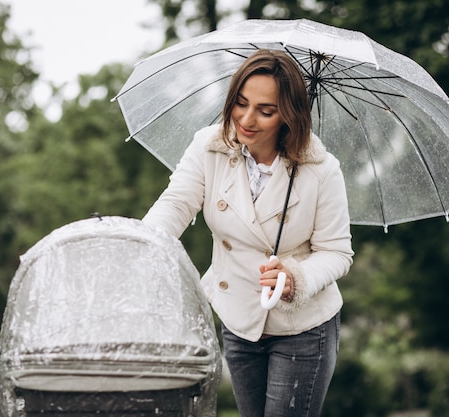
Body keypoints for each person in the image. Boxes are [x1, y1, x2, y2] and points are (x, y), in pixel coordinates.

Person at [142, 49, 353, 417]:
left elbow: (337, 253)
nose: (247, 119)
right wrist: (142, 244)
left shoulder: (321, 170)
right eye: (240, 103)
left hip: (303, 329)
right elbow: (176, 204)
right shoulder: (210, 146)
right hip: (238, 319)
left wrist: (297, 278)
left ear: (288, 115)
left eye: (266, 111)